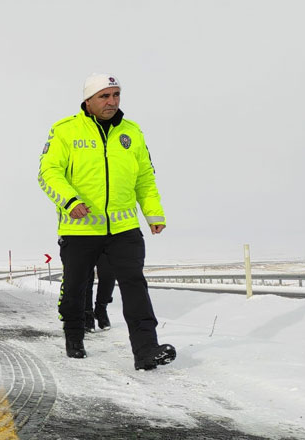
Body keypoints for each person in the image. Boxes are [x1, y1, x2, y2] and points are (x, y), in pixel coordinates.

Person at [37, 73, 176, 370]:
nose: (112, 102)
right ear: (88, 100)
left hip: (124, 229)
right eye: (104, 96)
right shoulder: (65, 131)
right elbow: (48, 173)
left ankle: (146, 350)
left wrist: (154, 213)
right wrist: (69, 201)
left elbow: (145, 179)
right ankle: (74, 337)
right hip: (80, 229)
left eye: (116, 95)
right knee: (75, 288)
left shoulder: (133, 133)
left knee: (134, 285)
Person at [83, 254, 115, 332]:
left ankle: (101, 309)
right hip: (84, 243)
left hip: (106, 244)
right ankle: (87, 313)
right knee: (85, 275)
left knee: (108, 273)